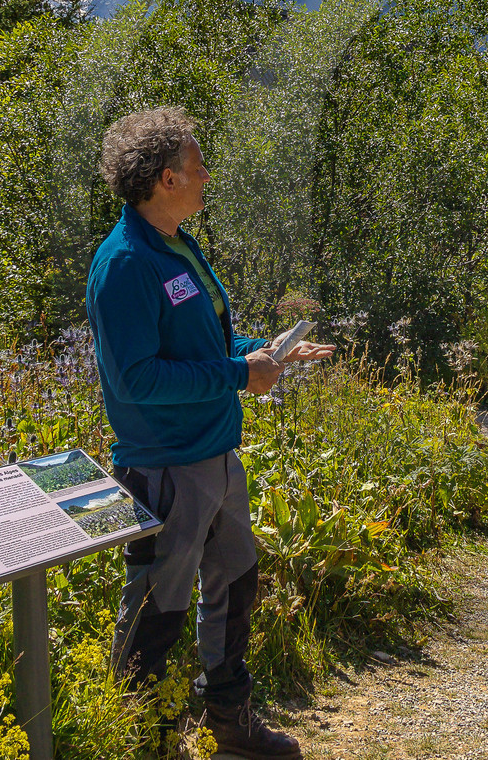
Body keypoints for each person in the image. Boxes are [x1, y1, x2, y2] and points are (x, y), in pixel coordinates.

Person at [86, 107, 334, 760]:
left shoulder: (177, 244)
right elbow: (137, 378)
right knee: (157, 613)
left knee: (234, 585)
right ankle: (142, 741)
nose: (208, 174)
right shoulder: (123, 264)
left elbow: (208, 343)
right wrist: (235, 373)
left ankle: (231, 724)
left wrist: (268, 352)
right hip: (163, 469)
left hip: (216, 458)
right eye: (199, 165)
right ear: (167, 177)